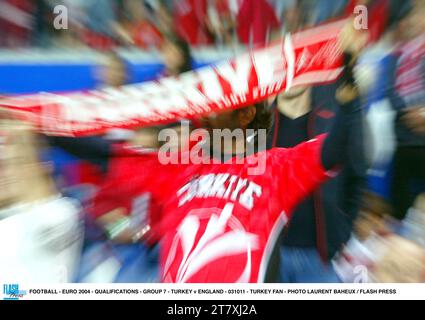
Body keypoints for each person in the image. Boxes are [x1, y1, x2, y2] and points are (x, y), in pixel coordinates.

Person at [48, 46, 362, 282]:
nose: (208, 112)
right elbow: (102, 152)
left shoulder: (275, 166)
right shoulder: (178, 164)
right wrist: (42, 122)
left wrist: (348, 102)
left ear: (246, 116)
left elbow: (333, 151)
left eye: (219, 107)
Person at [266, 61, 366, 282]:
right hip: (267, 255)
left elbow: (356, 175)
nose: (292, 73)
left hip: (320, 257)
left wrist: (341, 234)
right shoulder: (258, 125)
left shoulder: (334, 117)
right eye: (284, 65)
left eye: (298, 64)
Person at [0, 114, 83, 283]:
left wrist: (22, 133)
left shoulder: (60, 213)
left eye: (15, 163)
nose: (5, 173)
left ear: (44, 167)